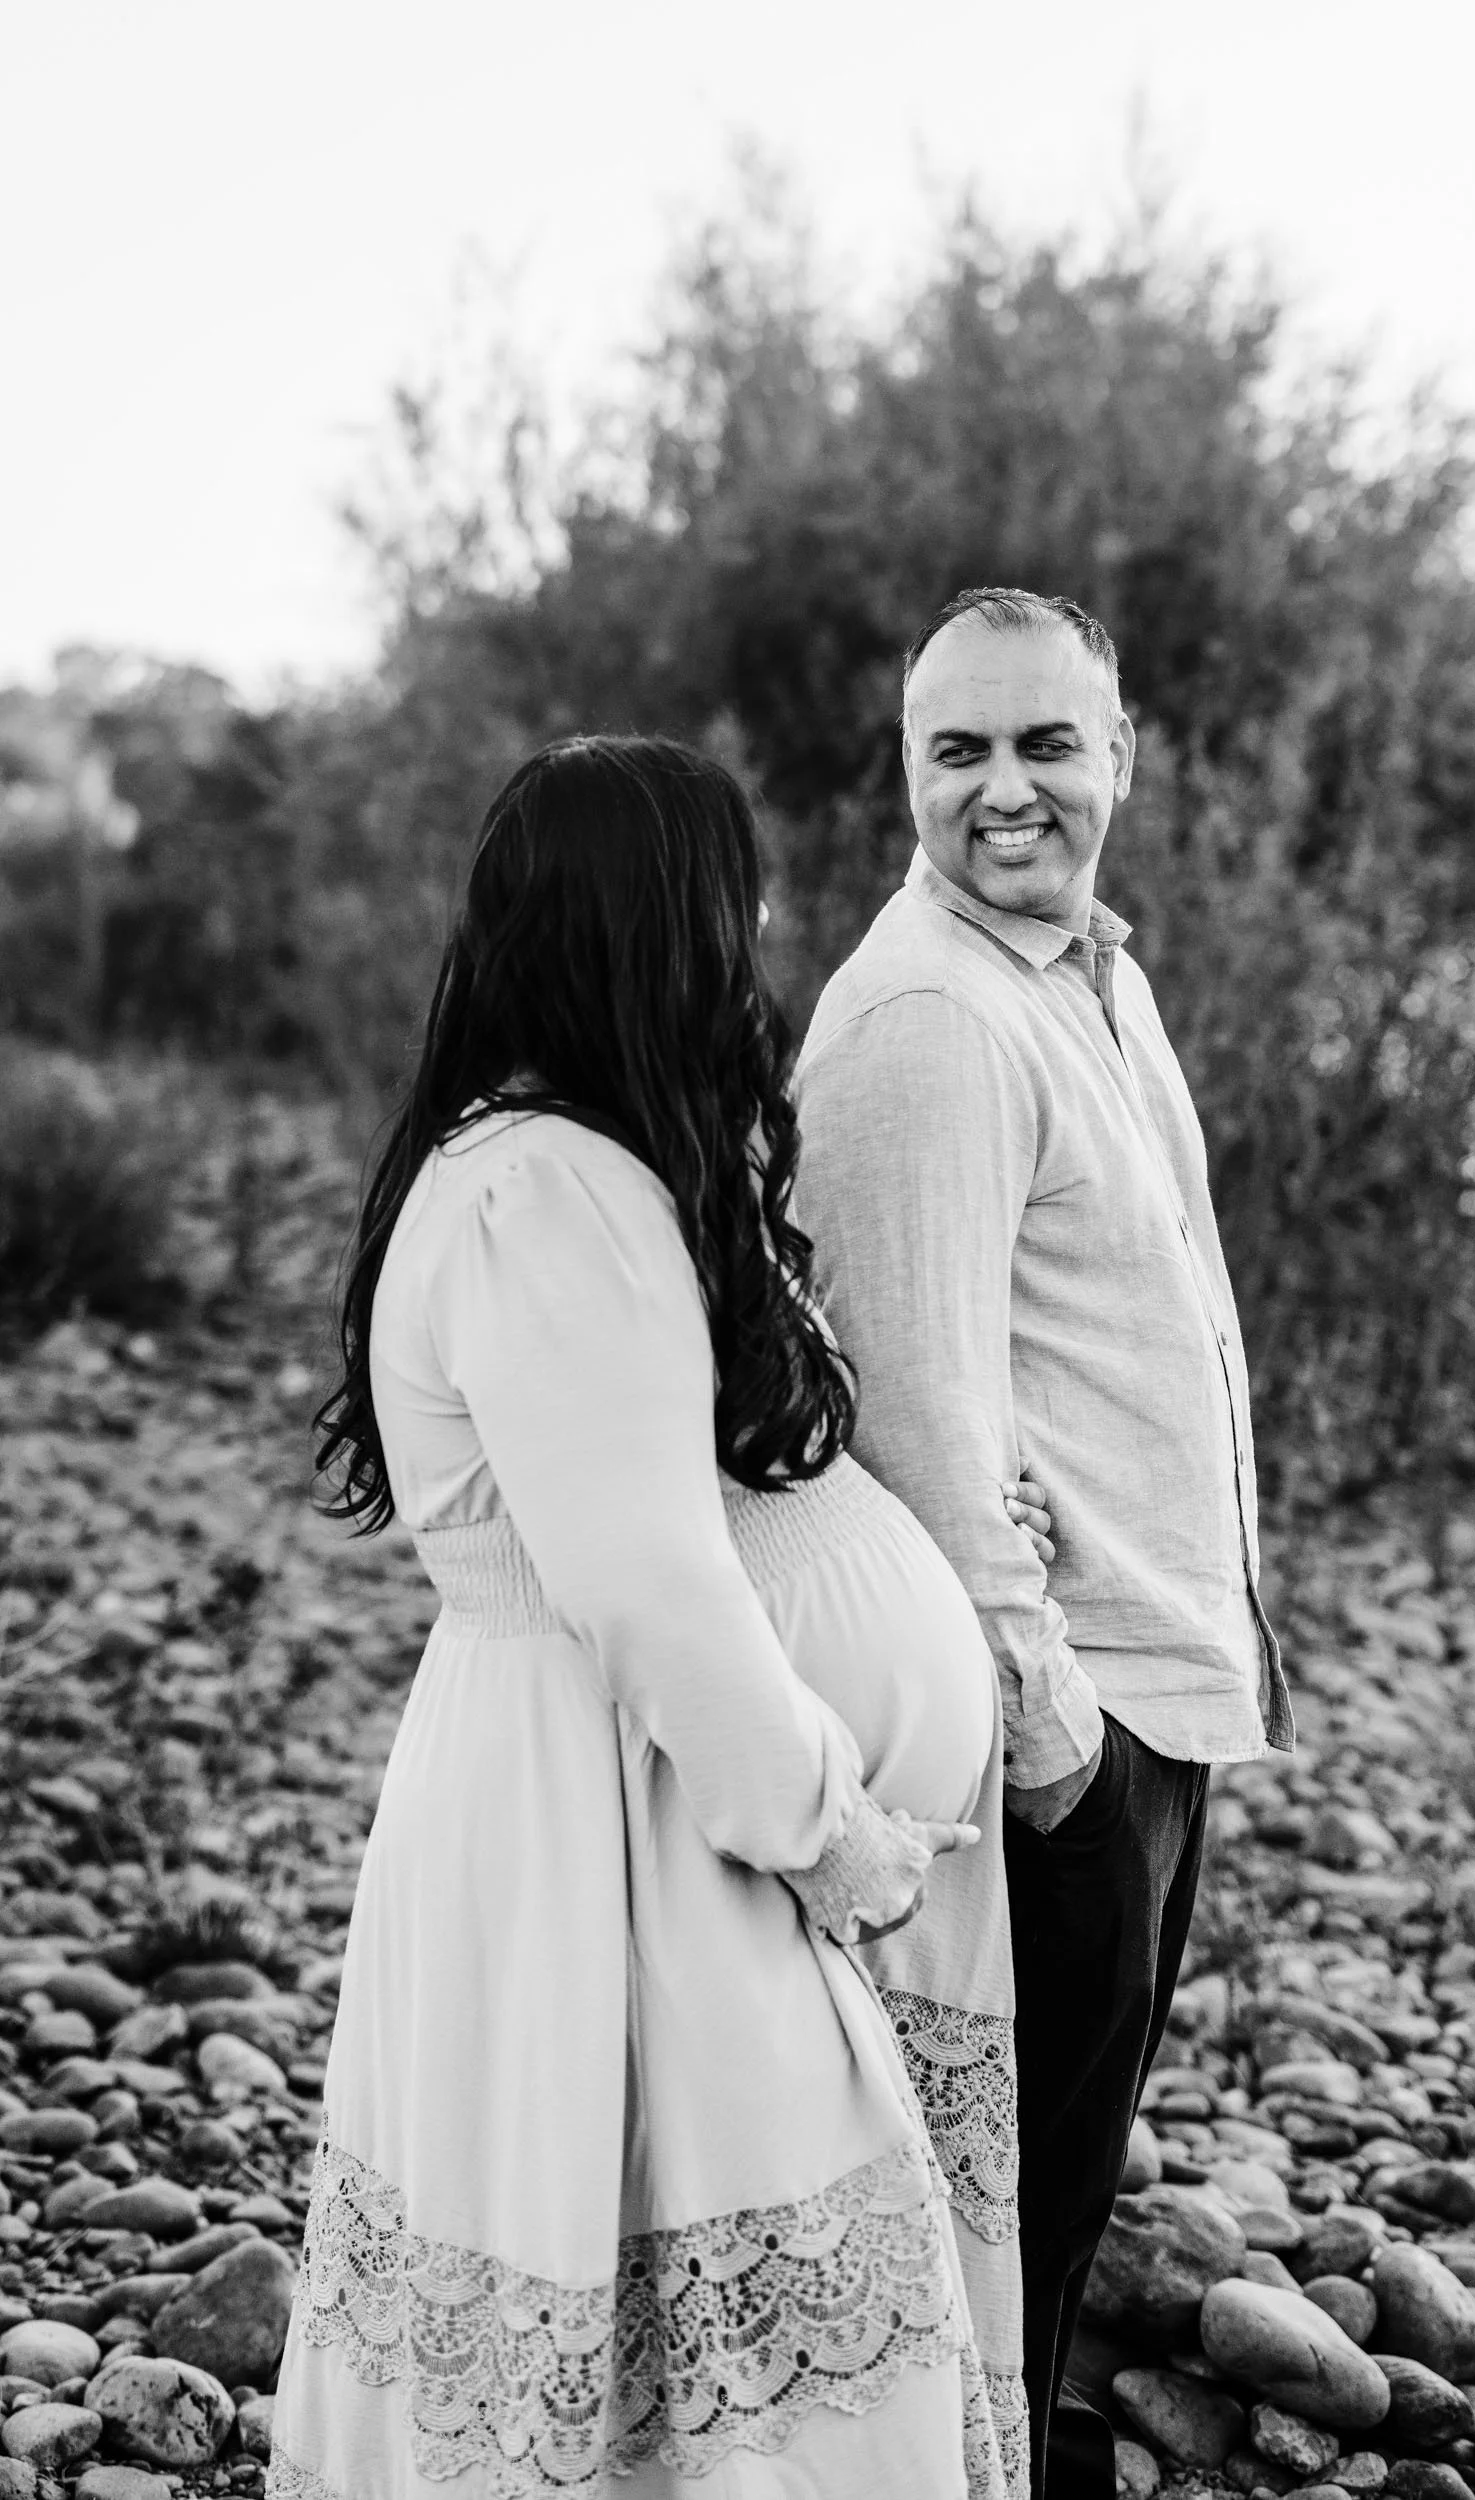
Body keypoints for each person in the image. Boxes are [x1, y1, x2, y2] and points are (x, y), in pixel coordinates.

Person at [270, 734, 1014, 2500]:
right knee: (704, 2315)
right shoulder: (545, 1190)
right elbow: (643, 1582)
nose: (753, 928)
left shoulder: (581, 1164)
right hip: (622, 1809)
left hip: (636, 1784)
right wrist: (823, 1830)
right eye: (731, 894)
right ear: (659, 920)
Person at [793, 588, 1296, 2499]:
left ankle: (1017, 2451)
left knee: (1058, 2186)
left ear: (1121, 755)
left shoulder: (1086, 967)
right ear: (906, 770)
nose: (1004, 790)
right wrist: (1052, 1731)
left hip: (1157, 1671)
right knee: (992, 2196)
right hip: (1059, 1716)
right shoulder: (925, 1018)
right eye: (956, 750)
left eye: (1043, 743)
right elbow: (908, 1412)